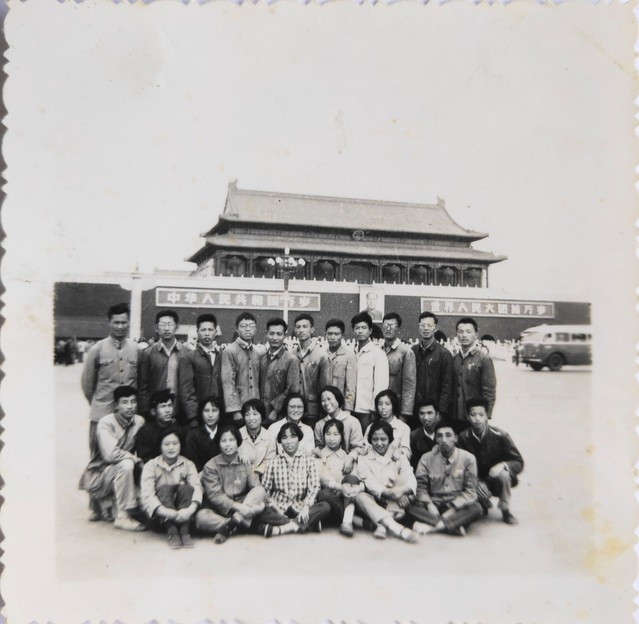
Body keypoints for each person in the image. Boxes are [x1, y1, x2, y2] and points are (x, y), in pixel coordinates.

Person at [196, 425, 286, 544]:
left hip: (245, 504)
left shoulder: (245, 462)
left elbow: (256, 487)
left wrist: (261, 505)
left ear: (237, 442)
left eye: (231, 440)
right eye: (223, 441)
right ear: (219, 443)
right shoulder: (210, 466)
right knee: (201, 517)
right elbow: (215, 495)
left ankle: (233, 523)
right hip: (221, 509)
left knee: (261, 492)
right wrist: (240, 508)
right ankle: (247, 526)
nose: (228, 444)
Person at [79, 385, 146, 530]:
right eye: (125, 402)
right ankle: (123, 517)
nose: (130, 406)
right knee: (127, 464)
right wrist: (134, 459)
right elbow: (111, 455)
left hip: (118, 475)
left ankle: (109, 504)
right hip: (98, 478)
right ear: (116, 405)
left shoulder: (139, 421)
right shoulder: (106, 423)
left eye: (133, 401)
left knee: (142, 505)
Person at [405, 419, 483, 536]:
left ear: (455, 438)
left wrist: (453, 509)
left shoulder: (468, 458)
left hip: (457, 504)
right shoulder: (426, 458)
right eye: (440, 436)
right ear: (436, 439)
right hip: (434, 503)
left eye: (448, 435)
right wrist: (429, 505)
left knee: (477, 508)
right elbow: (420, 487)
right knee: (408, 504)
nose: (444, 440)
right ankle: (453, 525)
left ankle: (434, 528)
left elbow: (470, 491)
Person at [81, 302, 139, 455]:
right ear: (109, 322)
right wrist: (98, 403)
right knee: (98, 457)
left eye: (123, 322)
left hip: (127, 417)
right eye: (116, 322)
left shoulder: (136, 349)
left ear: (128, 323)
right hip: (102, 414)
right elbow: (87, 384)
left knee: (125, 457)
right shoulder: (97, 349)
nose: (120, 326)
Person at [457, 397, 524, 525]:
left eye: (481, 414)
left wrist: (503, 465)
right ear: (467, 416)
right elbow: (459, 466)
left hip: (496, 479)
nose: (477, 418)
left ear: (487, 416)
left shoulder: (500, 435)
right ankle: (482, 503)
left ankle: (505, 510)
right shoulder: (463, 438)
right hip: (475, 480)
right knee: (464, 484)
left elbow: (518, 461)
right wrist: (475, 481)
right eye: (473, 415)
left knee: (503, 475)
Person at [260, 422, 331, 536]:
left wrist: (306, 507)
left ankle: (285, 527)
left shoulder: (309, 461)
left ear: (299, 439)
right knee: (260, 510)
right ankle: (303, 524)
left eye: (293, 436)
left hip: (300, 508)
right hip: (278, 509)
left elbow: (314, 487)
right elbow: (264, 490)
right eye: (284, 438)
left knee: (325, 507)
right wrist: (273, 506)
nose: (289, 441)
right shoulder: (273, 462)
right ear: (280, 441)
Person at [354, 421, 417, 543]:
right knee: (360, 497)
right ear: (370, 440)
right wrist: (392, 493)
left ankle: (380, 524)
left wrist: (401, 492)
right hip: (377, 500)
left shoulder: (399, 456)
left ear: (390, 439)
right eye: (375, 439)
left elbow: (409, 476)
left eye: (383, 439)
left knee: (404, 477)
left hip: (397, 502)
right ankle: (398, 528)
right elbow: (371, 484)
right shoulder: (364, 459)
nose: (379, 443)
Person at [140, 427, 202, 549]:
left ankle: (185, 531)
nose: (171, 447)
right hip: (161, 516)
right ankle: (172, 531)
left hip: (185, 515)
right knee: (164, 489)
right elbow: (147, 495)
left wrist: (190, 509)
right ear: (160, 446)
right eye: (167, 444)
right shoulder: (151, 465)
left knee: (187, 488)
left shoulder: (188, 464)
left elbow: (197, 488)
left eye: (175, 443)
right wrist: (166, 512)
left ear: (180, 445)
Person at [138, 310, 189, 423]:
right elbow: (143, 387)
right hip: (155, 414)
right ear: (156, 328)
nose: (166, 328)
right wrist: (146, 411)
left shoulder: (187, 353)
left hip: (181, 413)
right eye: (162, 324)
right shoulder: (148, 354)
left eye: (170, 324)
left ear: (177, 327)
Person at [315, 419, 361, 536]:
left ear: (342, 436)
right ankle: (352, 519)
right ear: (323, 435)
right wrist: (341, 487)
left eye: (336, 434)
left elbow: (354, 478)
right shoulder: (319, 455)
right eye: (328, 434)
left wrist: (346, 489)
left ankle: (347, 522)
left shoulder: (347, 457)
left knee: (352, 480)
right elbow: (323, 479)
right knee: (323, 494)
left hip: (345, 496)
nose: (331, 438)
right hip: (330, 498)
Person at [178, 313, 223, 429]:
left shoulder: (222, 356)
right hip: (199, 417)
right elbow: (187, 391)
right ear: (197, 332)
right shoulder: (189, 358)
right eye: (203, 330)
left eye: (210, 330)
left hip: (220, 416)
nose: (207, 333)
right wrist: (193, 417)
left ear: (215, 332)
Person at [351, 312, 390, 433]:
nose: (360, 331)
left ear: (370, 330)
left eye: (364, 328)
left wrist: (374, 409)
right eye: (357, 328)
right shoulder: (351, 352)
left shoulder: (378, 354)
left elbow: (381, 385)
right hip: (351, 408)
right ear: (353, 331)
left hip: (367, 410)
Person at [452, 317, 497, 420]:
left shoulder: (484, 359)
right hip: (456, 416)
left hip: (475, 417)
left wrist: (486, 415)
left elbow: (489, 391)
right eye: (460, 332)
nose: (464, 335)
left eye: (468, 332)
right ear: (457, 334)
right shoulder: (454, 359)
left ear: (476, 335)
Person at [412, 311, 453, 422]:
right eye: (423, 325)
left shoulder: (444, 354)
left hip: (434, 410)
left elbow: (447, 386)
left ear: (436, 328)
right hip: (415, 410)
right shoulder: (412, 351)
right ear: (418, 328)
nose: (426, 328)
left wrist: (441, 412)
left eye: (429, 325)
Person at [221, 312, 261, 425]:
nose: (248, 329)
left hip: (255, 407)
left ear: (255, 329)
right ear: (237, 329)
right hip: (238, 408)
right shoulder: (230, 351)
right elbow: (228, 383)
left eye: (251, 326)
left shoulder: (257, 353)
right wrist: (235, 410)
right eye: (243, 326)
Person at [259, 317, 300, 426]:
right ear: (266, 334)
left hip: (279, 415)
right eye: (271, 333)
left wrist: (275, 410)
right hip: (261, 414)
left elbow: (292, 389)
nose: (275, 338)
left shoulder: (291, 359)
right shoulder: (261, 358)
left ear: (284, 336)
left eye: (279, 334)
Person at [293, 313, 331, 426]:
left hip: (313, 411)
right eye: (298, 327)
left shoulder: (322, 355)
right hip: (294, 409)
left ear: (312, 329)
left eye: (305, 326)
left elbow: (325, 387)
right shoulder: (291, 354)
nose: (301, 330)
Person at [381, 313, 416, 424]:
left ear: (398, 329)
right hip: (380, 407)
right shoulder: (378, 350)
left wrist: (405, 413)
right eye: (386, 325)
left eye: (392, 325)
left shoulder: (406, 352)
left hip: (396, 407)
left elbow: (409, 385)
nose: (388, 328)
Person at [313, 386, 365, 454]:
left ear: (338, 399)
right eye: (323, 400)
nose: (326, 403)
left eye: (329, 399)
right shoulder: (319, 425)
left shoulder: (353, 422)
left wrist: (350, 457)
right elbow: (319, 447)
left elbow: (358, 447)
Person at [363, 389, 411, 460]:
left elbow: (407, 452)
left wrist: (400, 451)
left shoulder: (403, 427)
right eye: (380, 404)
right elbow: (364, 448)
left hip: (394, 463)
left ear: (393, 405)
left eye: (387, 404)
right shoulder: (370, 427)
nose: (383, 407)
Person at [135, 389, 180, 464]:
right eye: (163, 406)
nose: (168, 410)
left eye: (170, 405)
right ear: (153, 411)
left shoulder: (178, 430)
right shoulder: (145, 433)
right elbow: (145, 459)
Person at [266, 393, 315, 459]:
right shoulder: (274, 428)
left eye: (299, 407)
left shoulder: (308, 430)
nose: (296, 410)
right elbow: (270, 456)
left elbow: (310, 455)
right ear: (286, 408)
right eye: (292, 407)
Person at [182, 396, 222, 472]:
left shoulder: (224, 432)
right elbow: (192, 462)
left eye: (214, 411)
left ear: (220, 412)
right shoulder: (193, 435)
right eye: (206, 411)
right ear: (201, 413)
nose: (210, 415)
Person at [324, 319, 357, 412]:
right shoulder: (321, 354)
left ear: (343, 335)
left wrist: (348, 408)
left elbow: (350, 387)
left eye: (336, 334)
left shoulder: (349, 357)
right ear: (325, 335)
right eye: (330, 334)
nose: (332, 337)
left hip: (340, 406)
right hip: (323, 404)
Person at [238, 399, 271, 475]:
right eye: (247, 415)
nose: (251, 418)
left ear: (262, 415)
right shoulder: (238, 434)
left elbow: (269, 460)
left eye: (255, 414)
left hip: (262, 475)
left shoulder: (270, 436)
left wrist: (255, 474)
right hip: (241, 475)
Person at [409, 400, 441, 469]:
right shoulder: (414, 436)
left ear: (437, 414)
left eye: (429, 413)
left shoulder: (446, 433)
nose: (425, 417)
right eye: (422, 413)